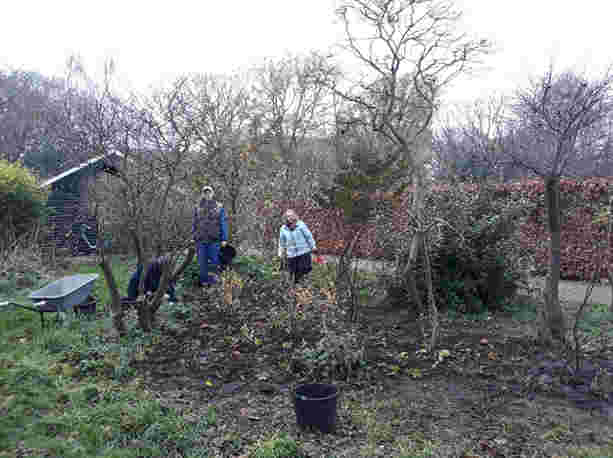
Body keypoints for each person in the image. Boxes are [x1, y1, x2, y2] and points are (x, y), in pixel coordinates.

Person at [192, 185, 228, 286]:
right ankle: (204, 283)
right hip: (201, 240)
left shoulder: (219, 207)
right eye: (205, 192)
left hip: (214, 240)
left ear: (213, 194)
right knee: (201, 263)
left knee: (214, 262)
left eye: (209, 192)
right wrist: (193, 237)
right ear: (203, 194)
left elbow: (223, 223)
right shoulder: (197, 207)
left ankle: (213, 284)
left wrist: (224, 238)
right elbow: (195, 223)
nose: (207, 194)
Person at [278, 209, 316, 283]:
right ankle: (297, 288)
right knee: (294, 273)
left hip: (303, 252)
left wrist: (313, 246)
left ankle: (305, 286)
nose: (290, 217)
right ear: (285, 218)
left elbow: (308, 236)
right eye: (288, 216)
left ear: (294, 216)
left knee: (304, 269)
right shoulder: (283, 229)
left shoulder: (301, 224)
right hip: (291, 254)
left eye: (291, 215)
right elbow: (281, 242)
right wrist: (280, 253)